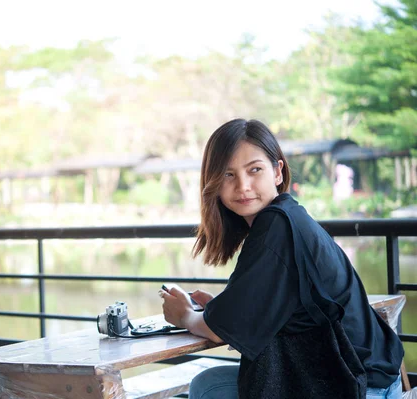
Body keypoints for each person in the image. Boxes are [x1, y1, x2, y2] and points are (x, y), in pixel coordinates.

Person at [159, 119, 404, 399]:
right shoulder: (287, 216)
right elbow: (258, 314)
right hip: (354, 375)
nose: (243, 186)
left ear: (277, 172)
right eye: (228, 175)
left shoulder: (276, 226)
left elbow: (218, 332)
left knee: (208, 388)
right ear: (213, 182)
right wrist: (222, 310)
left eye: (255, 170)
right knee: (210, 383)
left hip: (355, 385)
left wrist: (186, 316)